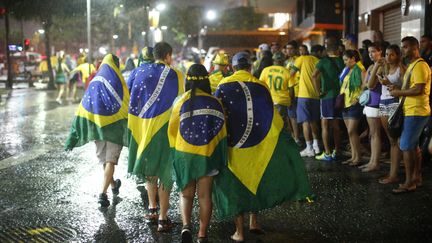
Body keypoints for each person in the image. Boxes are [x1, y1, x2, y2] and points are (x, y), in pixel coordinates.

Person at [212, 52, 312, 242]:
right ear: (250, 67)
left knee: (237, 185)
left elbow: (219, 113)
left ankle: (239, 232)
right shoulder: (261, 85)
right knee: (255, 178)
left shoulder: (223, 86)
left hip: (234, 143)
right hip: (259, 141)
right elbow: (273, 117)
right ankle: (255, 222)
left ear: (233, 68)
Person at [127, 42, 184, 231]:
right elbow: (181, 102)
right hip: (166, 130)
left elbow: (130, 96)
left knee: (150, 171)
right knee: (165, 173)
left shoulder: (138, 72)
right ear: (168, 56)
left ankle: (152, 209)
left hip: (142, 128)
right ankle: (162, 218)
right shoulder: (176, 74)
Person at [168, 64, 227, 243]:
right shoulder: (215, 102)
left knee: (185, 194)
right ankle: (202, 234)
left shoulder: (179, 101)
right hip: (207, 155)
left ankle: (186, 226)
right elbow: (221, 131)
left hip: (185, 154)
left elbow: (172, 130)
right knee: (204, 196)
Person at [65, 54, 129, 207]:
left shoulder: (94, 82)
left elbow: (84, 107)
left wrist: (76, 132)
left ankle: (113, 185)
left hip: (98, 127)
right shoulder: (118, 81)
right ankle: (103, 193)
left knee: (105, 161)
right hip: (115, 127)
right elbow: (127, 102)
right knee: (110, 161)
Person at [389, 36, 431, 193]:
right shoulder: (413, 65)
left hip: (416, 111)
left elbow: (418, 89)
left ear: (415, 48)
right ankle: (416, 178)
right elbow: (411, 87)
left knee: (406, 146)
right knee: (413, 147)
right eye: (403, 47)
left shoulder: (420, 66)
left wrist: (398, 91)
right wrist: (396, 87)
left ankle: (409, 182)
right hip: (412, 110)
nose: (403, 50)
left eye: (406, 47)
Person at [377, 44, 404, 184]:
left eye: (391, 54)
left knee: (396, 140)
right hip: (383, 103)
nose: (388, 57)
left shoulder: (401, 69)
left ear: (398, 55)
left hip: (394, 102)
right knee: (391, 140)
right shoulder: (385, 68)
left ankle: (394, 174)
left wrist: (387, 83)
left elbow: (406, 89)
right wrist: (377, 66)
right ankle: (392, 173)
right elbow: (369, 84)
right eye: (387, 54)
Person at [313, 44, 344, 161]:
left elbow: (314, 75)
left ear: (327, 50)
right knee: (336, 125)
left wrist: (318, 91)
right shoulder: (342, 61)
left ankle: (327, 153)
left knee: (325, 125)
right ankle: (337, 150)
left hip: (327, 96)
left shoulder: (323, 62)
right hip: (340, 96)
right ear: (337, 50)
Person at [290, 45, 322, 157]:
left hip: (303, 95)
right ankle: (316, 146)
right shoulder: (318, 61)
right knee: (313, 121)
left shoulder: (301, 59)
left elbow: (291, 73)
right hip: (316, 95)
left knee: (305, 122)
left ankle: (309, 148)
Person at [359, 42, 384, 172]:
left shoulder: (380, 66)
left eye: (374, 51)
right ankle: (372, 161)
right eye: (369, 52)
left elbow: (370, 85)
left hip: (377, 102)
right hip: (370, 102)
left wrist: (369, 80)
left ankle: (375, 163)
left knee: (375, 134)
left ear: (380, 52)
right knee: (372, 134)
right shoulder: (370, 67)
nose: (371, 54)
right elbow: (364, 84)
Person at [340, 50, 366, 166]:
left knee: (352, 130)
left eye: (346, 60)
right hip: (345, 103)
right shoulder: (348, 70)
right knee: (350, 132)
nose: (344, 62)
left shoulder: (360, 69)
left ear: (353, 58)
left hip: (354, 104)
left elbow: (365, 85)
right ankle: (353, 156)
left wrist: (358, 98)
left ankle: (358, 157)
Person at [259, 51, 292, 132]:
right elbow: (291, 89)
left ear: (273, 60)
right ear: (283, 61)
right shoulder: (287, 71)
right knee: (282, 125)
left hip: (269, 101)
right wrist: (291, 101)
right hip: (282, 101)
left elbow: (260, 86)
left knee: (271, 124)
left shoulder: (266, 70)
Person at [284, 41, 301, 145]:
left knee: (294, 116)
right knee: (291, 116)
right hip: (289, 90)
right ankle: (295, 136)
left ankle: (297, 138)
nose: (288, 50)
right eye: (287, 48)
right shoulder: (288, 61)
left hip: (297, 91)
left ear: (295, 49)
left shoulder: (298, 60)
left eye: (291, 48)